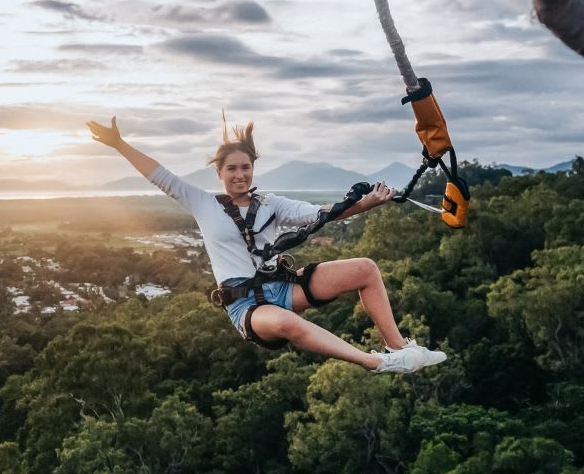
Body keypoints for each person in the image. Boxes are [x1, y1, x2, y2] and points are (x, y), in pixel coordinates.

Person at [87, 116, 447, 374]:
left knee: (365, 269)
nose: (240, 175)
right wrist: (119, 144)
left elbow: (320, 214)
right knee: (289, 324)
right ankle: (379, 364)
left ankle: (399, 349)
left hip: (282, 287)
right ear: (220, 173)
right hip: (246, 307)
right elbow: (159, 175)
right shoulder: (202, 203)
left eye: (245, 167)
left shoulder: (271, 204)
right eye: (231, 169)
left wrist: (366, 203)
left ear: (253, 169)